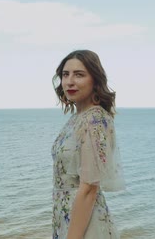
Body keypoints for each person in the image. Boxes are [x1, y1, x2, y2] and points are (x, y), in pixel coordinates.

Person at [51, 50, 125, 239]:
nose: (69, 81)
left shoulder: (95, 120)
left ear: (95, 79)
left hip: (85, 225)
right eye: (65, 75)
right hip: (68, 216)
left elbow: (89, 188)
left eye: (79, 74)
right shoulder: (78, 118)